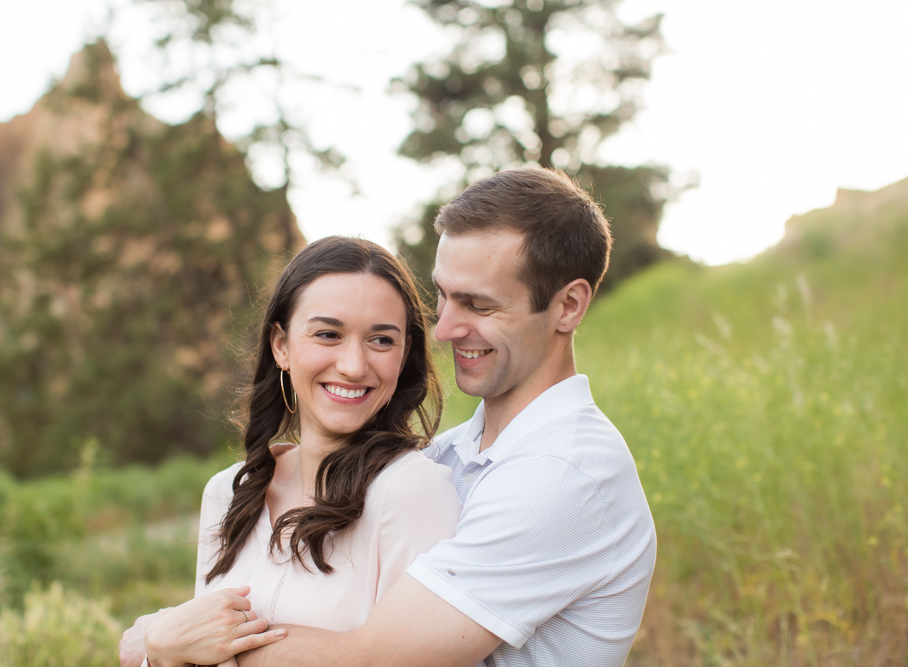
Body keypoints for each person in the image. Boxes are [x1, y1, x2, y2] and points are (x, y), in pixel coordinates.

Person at [226, 166, 657, 666]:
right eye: (444, 296)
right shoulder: (448, 455)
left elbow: (369, 661)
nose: (444, 329)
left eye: (478, 304)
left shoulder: (564, 472)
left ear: (568, 306)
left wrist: (175, 643)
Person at [121, 236, 461, 667]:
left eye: (380, 340)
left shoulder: (411, 492)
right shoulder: (228, 492)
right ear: (281, 345)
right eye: (327, 334)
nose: (354, 365)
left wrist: (159, 638)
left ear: (404, 353)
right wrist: (163, 650)